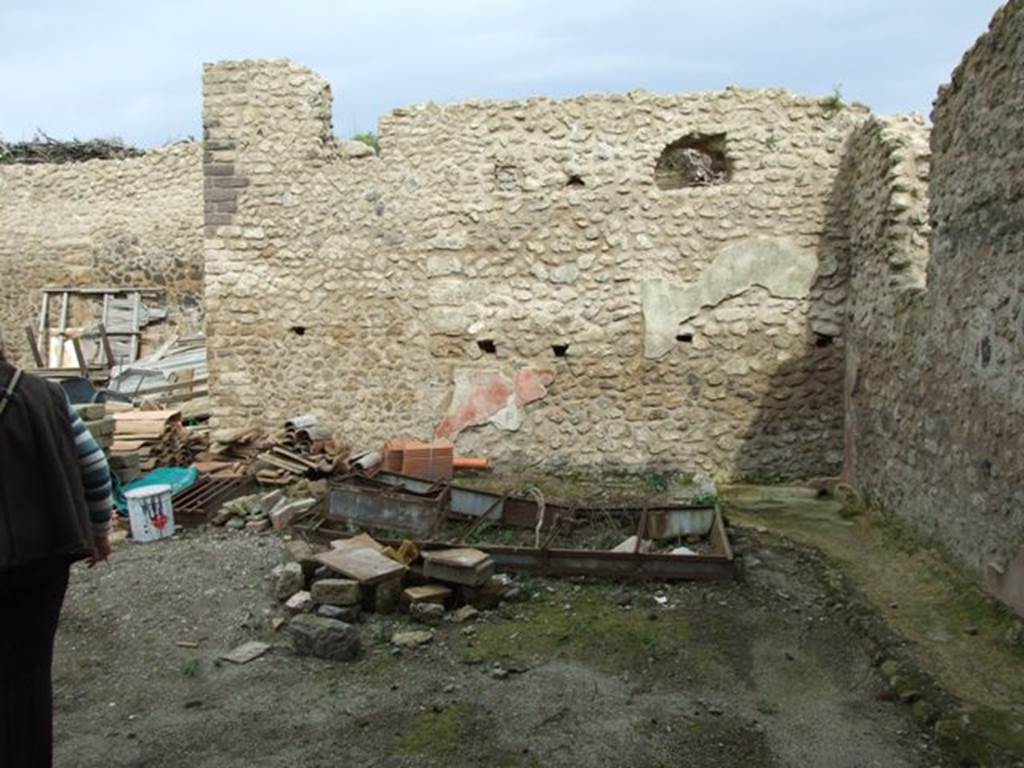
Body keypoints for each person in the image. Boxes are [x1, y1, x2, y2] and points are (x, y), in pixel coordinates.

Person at [0, 350, 113, 768]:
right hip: (41, 560)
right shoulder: (46, 395)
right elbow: (96, 468)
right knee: (27, 674)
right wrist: (99, 530)